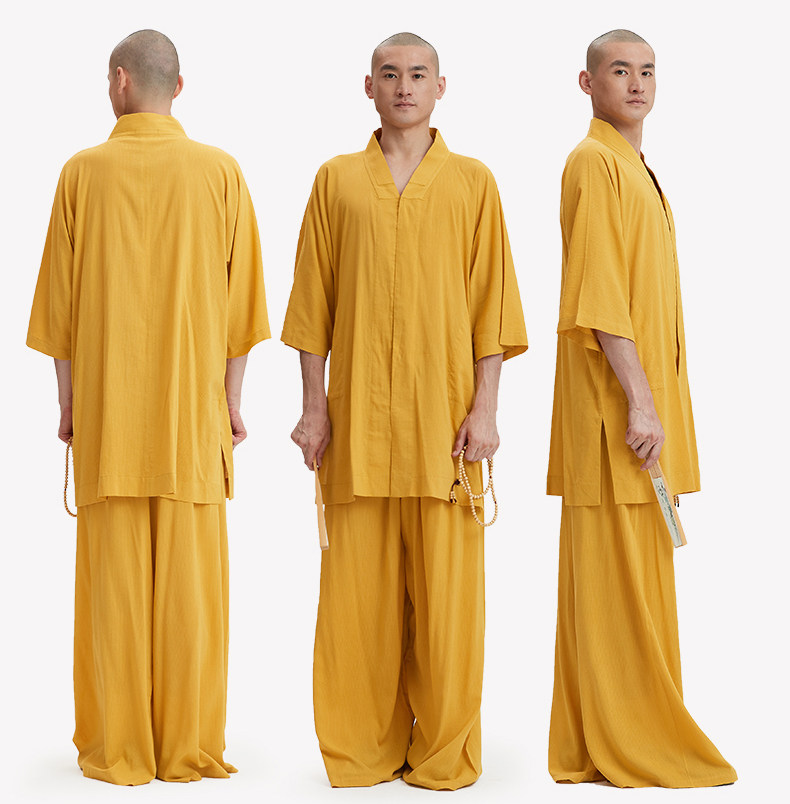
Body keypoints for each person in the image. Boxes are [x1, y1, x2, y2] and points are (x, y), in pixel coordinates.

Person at [282, 32, 527, 791]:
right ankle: (361, 750)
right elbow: (312, 310)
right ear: (369, 86)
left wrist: (486, 410)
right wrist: (313, 411)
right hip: (357, 427)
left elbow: (492, 310)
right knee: (356, 605)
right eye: (389, 74)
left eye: (418, 74)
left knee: (450, 607)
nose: (404, 87)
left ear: (440, 86)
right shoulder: (335, 181)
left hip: (445, 427)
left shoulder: (473, 183)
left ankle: (445, 753)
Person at [26, 30, 269, 785]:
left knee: (115, 593)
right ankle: (185, 745)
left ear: (120, 80)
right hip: (192, 422)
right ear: (179, 86)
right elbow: (242, 312)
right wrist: (230, 406)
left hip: (110, 419)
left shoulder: (81, 173)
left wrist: (69, 407)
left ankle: (120, 747)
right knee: (192, 595)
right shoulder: (221, 172)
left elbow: (60, 313)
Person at [546, 29, 737, 788]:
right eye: (619, 70)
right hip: (615, 420)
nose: (636, 83)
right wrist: (641, 404)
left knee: (637, 581)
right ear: (587, 83)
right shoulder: (593, 164)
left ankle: (601, 741)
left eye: (647, 71)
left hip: (638, 415)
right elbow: (599, 298)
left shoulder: (636, 169)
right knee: (615, 586)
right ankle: (628, 740)